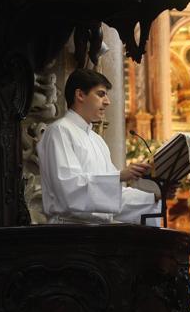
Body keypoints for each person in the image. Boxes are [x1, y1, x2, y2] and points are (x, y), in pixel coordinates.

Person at [37, 69, 164, 225]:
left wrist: (154, 197)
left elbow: (112, 198)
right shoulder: (60, 131)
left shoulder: (97, 141)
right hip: (68, 232)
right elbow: (68, 189)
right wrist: (119, 176)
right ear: (80, 95)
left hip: (98, 233)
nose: (107, 101)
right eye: (101, 94)